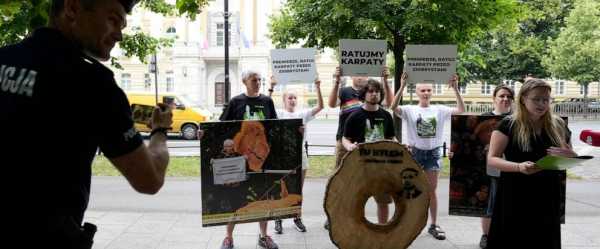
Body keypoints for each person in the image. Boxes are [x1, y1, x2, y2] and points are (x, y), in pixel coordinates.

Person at [0, 0, 173, 248]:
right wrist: (159, 132)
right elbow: (150, 179)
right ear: (72, 9)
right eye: (113, 19)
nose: (120, 35)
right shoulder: (94, 84)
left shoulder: (3, 58)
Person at [486, 78, 577, 249]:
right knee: (513, 238)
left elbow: (569, 157)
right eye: (536, 99)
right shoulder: (508, 124)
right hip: (515, 192)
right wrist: (519, 167)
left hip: (547, 193)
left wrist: (571, 155)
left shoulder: (558, 125)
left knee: (543, 239)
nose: (542, 104)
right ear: (523, 99)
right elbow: (492, 159)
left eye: (546, 99)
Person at [203, 70, 279, 249]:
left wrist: (295, 131)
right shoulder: (236, 102)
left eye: (260, 80)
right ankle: (228, 238)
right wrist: (204, 135)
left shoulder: (267, 101)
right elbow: (221, 127)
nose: (258, 82)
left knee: (262, 198)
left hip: (259, 162)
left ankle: (264, 236)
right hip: (237, 164)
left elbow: (276, 126)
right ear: (245, 81)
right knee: (234, 199)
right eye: (254, 80)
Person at [392, 72, 465, 240]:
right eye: (422, 90)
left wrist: (455, 88)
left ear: (432, 92)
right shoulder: (410, 110)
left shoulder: (439, 109)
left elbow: (461, 109)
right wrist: (402, 86)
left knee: (431, 191)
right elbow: (393, 107)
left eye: (428, 90)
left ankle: (433, 224)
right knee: (411, 191)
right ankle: (408, 222)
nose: (426, 93)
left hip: (433, 153)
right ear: (417, 92)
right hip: (415, 153)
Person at [325, 66, 393, 229]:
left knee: (376, 187)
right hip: (347, 143)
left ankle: (380, 226)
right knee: (341, 181)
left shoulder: (378, 99)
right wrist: (336, 82)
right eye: (357, 72)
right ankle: (334, 215)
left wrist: (385, 81)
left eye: (364, 72)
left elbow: (389, 103)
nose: (360, 75)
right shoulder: (345, 90)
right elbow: (331, 103)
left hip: (374, 150)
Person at [269, 77, 324, 233]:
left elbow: (320, 107)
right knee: (281, 189)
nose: (293, 100)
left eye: (295, 98)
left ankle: (296, 217)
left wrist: (318, 87)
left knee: (297, 190)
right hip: (282, 157)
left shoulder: (303, 114)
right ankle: (278, 219)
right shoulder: (279, 113)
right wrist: (272, 87)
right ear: (284, 100)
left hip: (300, 156)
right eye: (290, 97)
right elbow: (268, 106)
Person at [342, 79, 395, 224]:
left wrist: (400, 146)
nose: (374, 94)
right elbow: (345, 139)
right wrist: (349, 146)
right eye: (370, 91)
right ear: (364, 94)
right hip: (360, 166)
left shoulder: (386, 115)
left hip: (382, 167)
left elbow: (392, 138)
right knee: (358, 201)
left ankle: (383, 231)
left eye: (377, 91)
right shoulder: (354, 116)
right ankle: (360, 233)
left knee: (383, 202)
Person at [478, 84, 514, 249]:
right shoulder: (484, 118)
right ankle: (486, 236)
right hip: (490, 169)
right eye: (501, 96)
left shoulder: (517, 119)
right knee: (489, 204)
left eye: (508, 96)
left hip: (511, 168)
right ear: (494, 99)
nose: (505, 99)